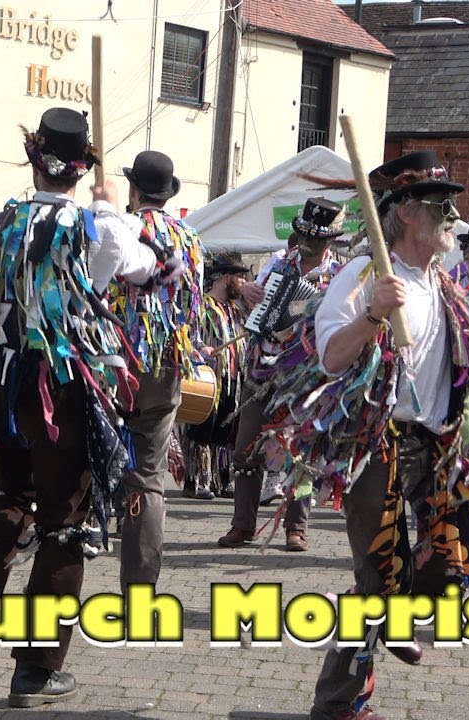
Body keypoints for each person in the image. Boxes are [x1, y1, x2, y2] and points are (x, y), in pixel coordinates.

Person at [0, 107, 167, 708]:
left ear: (35, 162)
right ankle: (37, 670)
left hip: (1, 379)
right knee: (66, 522)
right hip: (62, 388)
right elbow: (148, 267)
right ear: (82, 168)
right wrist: (111, 208)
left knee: (12, 497)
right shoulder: (97, 225)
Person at [290, 151, 469, 720]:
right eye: (442, 206)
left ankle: (397, 613)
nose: (453, 217)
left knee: (458, 559)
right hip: (379, 444)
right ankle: (340, 704)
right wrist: (369, 314)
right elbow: (330, 356)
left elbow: (451, 363)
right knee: (375, 576)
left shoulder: (443, 284)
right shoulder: (368, 274)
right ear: (406, 215)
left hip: (441, 446)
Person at [217, 197, 347, 553]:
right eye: (303, 235)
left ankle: (296, 528)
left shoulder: (338, 277)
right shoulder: (276, 264)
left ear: (330, 242)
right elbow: (248, 302)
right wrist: (246, 292)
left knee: (300, 451)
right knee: (245, 447)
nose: (307, 244)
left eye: (315, 239)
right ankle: (242, 525)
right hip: (263, 367)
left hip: (303, 375)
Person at [107, 149, 205, 588]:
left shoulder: (123, 228)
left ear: (133, 189)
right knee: (148, 476)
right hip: (166, 364)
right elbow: (193, 308)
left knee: (98, 457)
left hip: (117, 362)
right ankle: (140, 583)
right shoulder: (189, 237)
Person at [182, 252, 250, 500]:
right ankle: (196, 480)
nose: (243, 282)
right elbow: (187, 337)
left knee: (225, 429)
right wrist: (201, 349)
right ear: (225, 278)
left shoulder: (236, 310)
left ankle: (222, 479)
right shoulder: (202, 307)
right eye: (239, 277)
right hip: (207, 379)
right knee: (202, 428)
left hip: (232, 377)